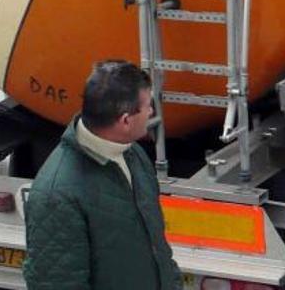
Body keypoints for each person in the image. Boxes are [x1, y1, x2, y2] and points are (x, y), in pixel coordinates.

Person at [23, 61, 182, 290]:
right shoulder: (56, 195)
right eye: (148, 106)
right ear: (125, 120)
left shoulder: (132, 154)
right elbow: (56, 283)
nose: (151, 112)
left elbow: (157, 248)